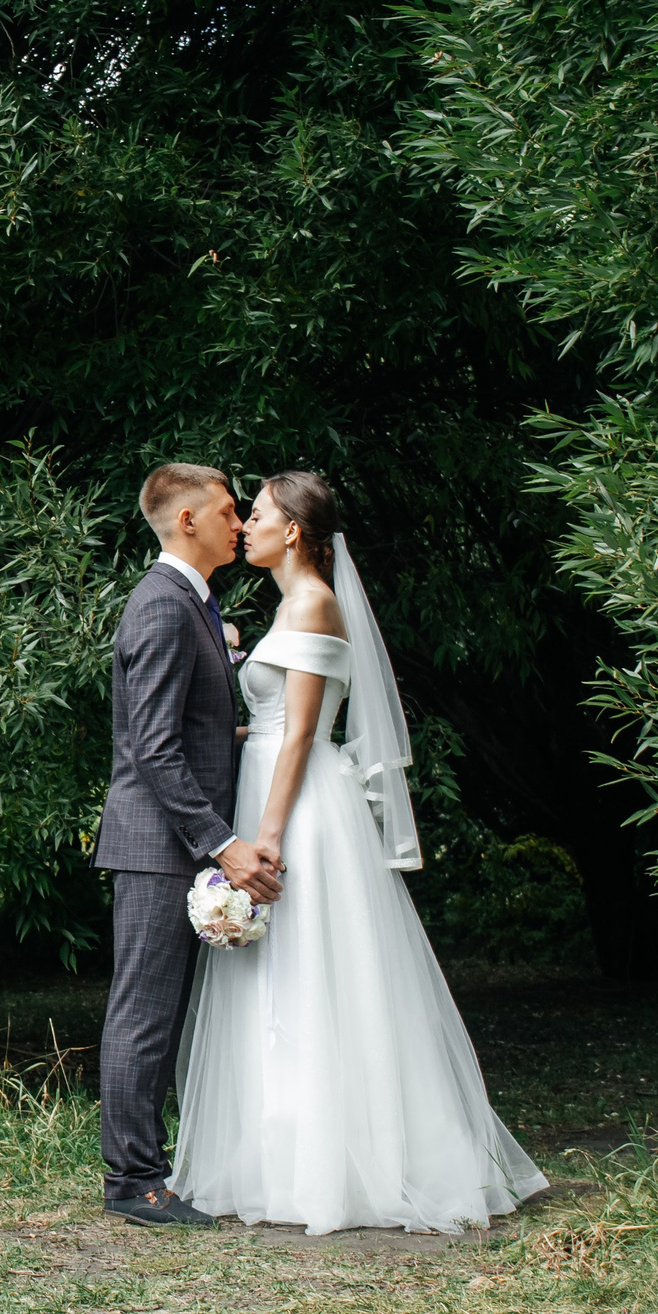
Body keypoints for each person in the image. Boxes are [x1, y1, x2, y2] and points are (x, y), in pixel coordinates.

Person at [168, 471, 548, 1234]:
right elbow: (277, 725)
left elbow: (303, 734)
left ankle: (335, 1164)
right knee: (274, 979)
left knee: (312, 971)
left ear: (294, 531)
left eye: (261, 514)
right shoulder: (288, 606)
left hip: (297, 807)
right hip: (270, 787)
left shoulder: (313, 602)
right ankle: (278, 1156)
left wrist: (265, 839)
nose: (245, 526)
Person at [91, 463, 280, 1226]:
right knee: (143, 1013)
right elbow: (154, 752)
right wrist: (224, 844)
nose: (240, 523)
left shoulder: (193, 603)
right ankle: (132, 1182)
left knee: (159, 1013)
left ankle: (150, 1170)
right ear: (189, 520)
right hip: (155, 843)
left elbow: (191, 734)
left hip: (168, 840)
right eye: (230, 511)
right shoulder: (163, 606)